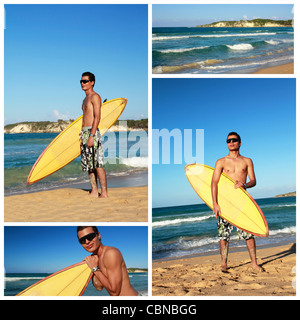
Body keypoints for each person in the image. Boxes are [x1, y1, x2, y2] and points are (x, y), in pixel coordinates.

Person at [211, 132, 263, 272]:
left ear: (240, 143)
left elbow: (253, 181)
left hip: (242, 201)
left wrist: (245, 184)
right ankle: (224, 264)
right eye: (228, 141)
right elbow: (214, 183)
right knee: (224, 235)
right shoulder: (220, 162)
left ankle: (254, 263)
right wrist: (215, 204)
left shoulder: (247, 161)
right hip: (225, 202)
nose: (231, 142)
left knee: (248, 233)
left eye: (234, 140)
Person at [77, 226, 139, 296]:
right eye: (82, 240)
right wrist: (94, 266)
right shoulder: (95, 259)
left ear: (98, 235)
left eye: (90, 236)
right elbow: (99, 287)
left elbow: (114, 292)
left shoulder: (111, 253)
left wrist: (94, 268)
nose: (87, 242)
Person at [80, 71, 108, 198]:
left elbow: (97, 117)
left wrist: (91, 136)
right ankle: (94, 190)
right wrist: (82, 135)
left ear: (92, 82)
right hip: (84, 133)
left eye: (85, 81)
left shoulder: (95, 97)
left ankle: (105, 192)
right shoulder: (85, 99)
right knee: (89, 165)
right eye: (81, 81)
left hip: (92, 133)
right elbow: (84, 118)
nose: (82, 83)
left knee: (97, 164)